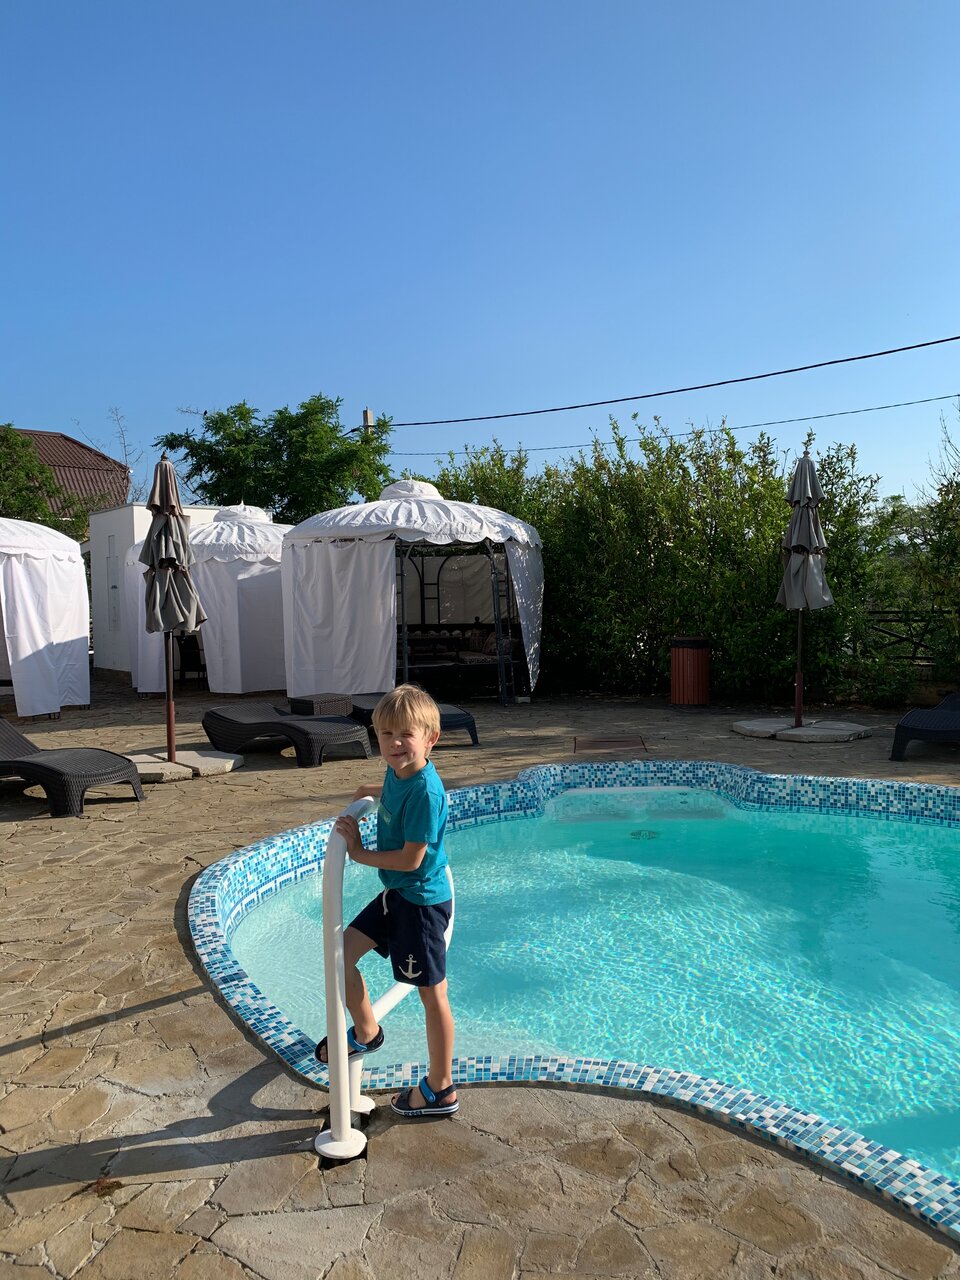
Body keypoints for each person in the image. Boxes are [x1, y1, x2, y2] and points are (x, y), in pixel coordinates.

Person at [315, 684, 458, 1119]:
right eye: (386, 734)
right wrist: (368, 792)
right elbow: (390, 787)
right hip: (397, 895)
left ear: (430, 739)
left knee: (432, 995)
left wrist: (358, 853)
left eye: (405, 735)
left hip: (421, 904)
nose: (395, 743)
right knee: (340, 955)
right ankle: (366, 1030)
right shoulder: (399, 774)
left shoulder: (426, 793)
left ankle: (441, 1087)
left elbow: (412, 860)